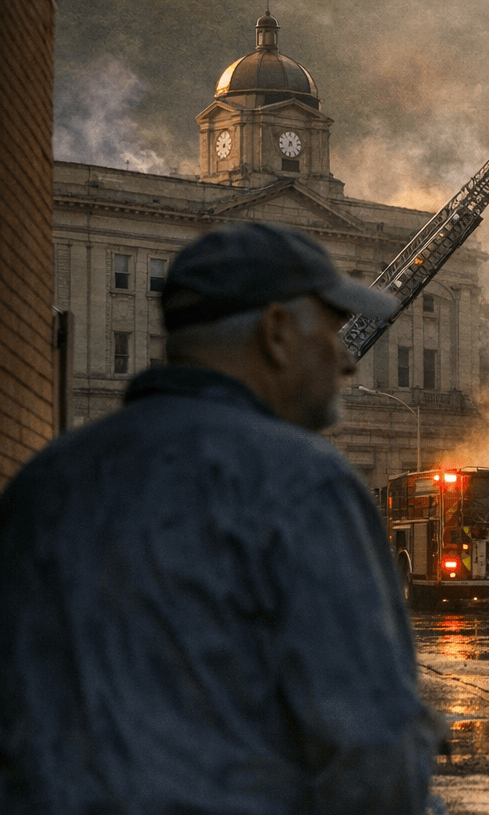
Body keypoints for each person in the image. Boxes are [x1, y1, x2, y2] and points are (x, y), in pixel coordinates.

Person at [0, 222, 446, 813]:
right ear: (278, 331)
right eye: (334, 329)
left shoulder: (42, 484)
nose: (345, 359)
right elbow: (370, 754)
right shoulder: (302, 483)